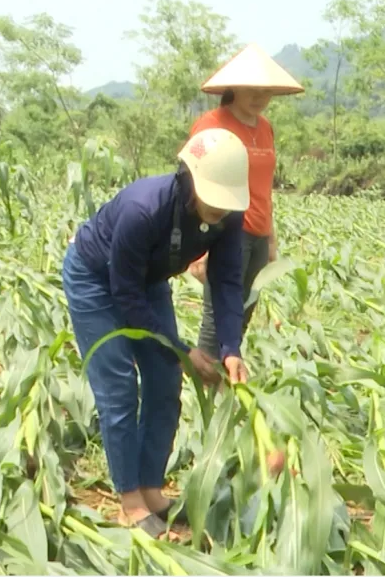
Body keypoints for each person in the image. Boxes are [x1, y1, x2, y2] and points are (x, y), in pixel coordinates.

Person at [61, 129, 253, 538]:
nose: (219, 208)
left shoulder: (228, 216)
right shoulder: (144, 209)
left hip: (148, 281)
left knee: (166, 381)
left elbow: (227, 282)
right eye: (212, 197)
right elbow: (125, 295)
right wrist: (183, 350)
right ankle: (129, 498)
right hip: (96, 279)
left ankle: (151, 486)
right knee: (118, 386)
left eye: (226, 200)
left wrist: (230, 347)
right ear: (189, 179)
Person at [186, 42, 304, 357]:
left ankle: (226, 375)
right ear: (234, 88)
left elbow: (264, 187)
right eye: (251, 89)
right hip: (225, 232)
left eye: (265, 91)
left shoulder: (265, 128)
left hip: (258, 234)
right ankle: (206, 385)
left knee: (243, 311)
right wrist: (198, 248)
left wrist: (271, 239)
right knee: (218, 316)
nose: (259, 98)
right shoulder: (212, 124)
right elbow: (191, 181)